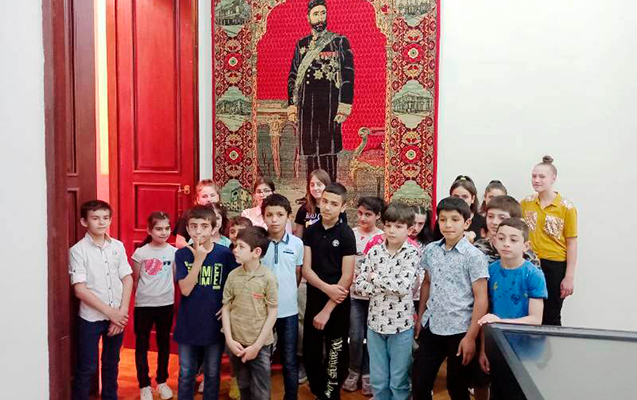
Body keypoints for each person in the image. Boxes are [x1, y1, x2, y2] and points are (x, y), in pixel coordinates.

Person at [412, 197, 489, 400]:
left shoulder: (474, 256)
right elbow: (427, 283)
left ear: (466, 223)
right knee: (419, 382)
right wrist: (421, 317)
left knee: (456, 387)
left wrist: (471, 337)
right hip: (432, 325)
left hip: (460, 330)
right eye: (443, 219)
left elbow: (481, 299)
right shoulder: (431, 250)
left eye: (454, 219)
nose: (448, 225)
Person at [355, 202, 420, 400]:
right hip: (375, 324)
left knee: (398, 380)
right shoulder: (374, 252)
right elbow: (359, 285)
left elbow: (403, 287)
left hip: (401, 327)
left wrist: (374, 278)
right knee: (378, 379)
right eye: (388, 225)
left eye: (398, 226)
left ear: (409, 229)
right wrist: (384, 285)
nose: (392, 230)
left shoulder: (412, 253)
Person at [69, 200, 133, 400]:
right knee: (87, 366)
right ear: (84, 222)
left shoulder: (118, 247)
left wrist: (121, 313)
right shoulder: (77, 250)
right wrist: (111, 313)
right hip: (91, 319)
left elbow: (127, 278)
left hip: (117, 316)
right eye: (95, 218)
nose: (101, 222)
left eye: (105, 218)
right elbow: (80, 289)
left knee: (111, 364)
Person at [478, 218, 548, 400]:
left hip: (525, 350)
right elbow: (487, 315)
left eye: (513, 239)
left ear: (526, 246)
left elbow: (535, 319)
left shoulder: (534, 275)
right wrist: (484, 349)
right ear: (494, 241)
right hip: (497, 347)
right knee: (498, 392)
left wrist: (499, 322)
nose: (506, 244)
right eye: (501, 238)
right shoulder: (490, 271)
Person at [173, 205, 238, 400]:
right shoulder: (181, 255)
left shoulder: (224, 254)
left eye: (204, 226)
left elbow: (235, 285)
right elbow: (185, 290)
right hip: (188, 323)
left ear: (213, 228)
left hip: (214, 324)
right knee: (186, 373)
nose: (198, 231)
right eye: (193, 226)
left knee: (212, 372)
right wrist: (199, 260)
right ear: (188, 229)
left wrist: (228, 306)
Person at [287, 0, 354, 182]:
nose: (320, 18)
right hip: (306, 105)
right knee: (310, 151)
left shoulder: (339, 41)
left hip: (329, 105)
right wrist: (292, 104)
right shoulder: (302, 44)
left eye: (323, 13)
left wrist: (344, 105)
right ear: (308, 18)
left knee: (328, 151)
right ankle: (312, 190)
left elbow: (348, 75)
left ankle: (330, 188)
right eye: (316, 14)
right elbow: (293, 75)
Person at [302, 183, 357, 400]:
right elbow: (306, 270)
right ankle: (319, 391)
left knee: (336, 351)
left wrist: (328, 309)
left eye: (334, 204)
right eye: (324, 201)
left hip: (338, 303)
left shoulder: (346, 234)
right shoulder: (310, 232)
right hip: (315, 297)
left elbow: (347, 276)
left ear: (343, 207)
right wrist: (327, 289)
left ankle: (331, 394)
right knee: (311, 352)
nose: (327, 207)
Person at [222, 226, 279, 400]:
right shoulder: (233, 276)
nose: (235, 250)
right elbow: (226, 308)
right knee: (243, 386)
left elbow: (272, 312)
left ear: (256, 252)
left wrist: (256, 346)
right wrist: (229, 340)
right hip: (236, 344)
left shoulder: (268, 278)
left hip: (260, 346)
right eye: (235, 245)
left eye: (241, 247)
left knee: (261, 392)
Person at [521, 155, 578, 326]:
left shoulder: (566, 208)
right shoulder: (525, 203)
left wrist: (569, 277)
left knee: (551, 314)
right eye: (534, 176)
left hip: (554, 266)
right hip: (529, 262)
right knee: (527, 310)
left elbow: (571, 243)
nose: (536, 180)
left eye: (542, 176)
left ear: (553, 179)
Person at [261, 194, 305, 400]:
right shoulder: (258, 243)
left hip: (288, 311)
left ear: (289, 216)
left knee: (289, 359)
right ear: (263, 216)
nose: (274, 220)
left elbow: (297, 274)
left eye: (279, 215)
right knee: (262, 359)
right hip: (262, 311)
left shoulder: (297, 244)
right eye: (269, 215)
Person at [131, 212, 177, 400]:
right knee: (141, 345)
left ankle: (162, 381)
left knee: (164, 343)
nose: (164, 232)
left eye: (167, 228)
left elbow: (174, 277)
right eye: (159, 229)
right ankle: (144, 385)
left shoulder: (174, 252)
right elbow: (135, 279)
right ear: (149, 230)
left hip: (166, 304)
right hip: (143, 306)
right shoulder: (140, 253)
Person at [343, 197, 384, 395]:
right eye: (360, 213)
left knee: (372, 338)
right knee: (356, 336)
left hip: (376, 297)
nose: (362, 218)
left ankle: (368, 374)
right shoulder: (351, 234)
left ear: (378, 216)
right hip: (354, 295)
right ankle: (353, 371)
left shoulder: (383, 237)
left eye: (368, 214)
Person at [474, 195, 540, 267]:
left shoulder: (526, 254)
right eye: (490, 216)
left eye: (502, 218)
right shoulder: (479, 247)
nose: (494, 222)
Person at [173, 179, 220, 248]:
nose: (209, 199)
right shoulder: (189, 214)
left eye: (212, 195)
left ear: (218, 197)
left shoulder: (221, 215)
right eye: (204, 196)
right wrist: (195, 251)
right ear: (198, 199)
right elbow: (179, 242)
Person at [294, 169, 331, 237]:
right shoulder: (303, 210)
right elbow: (298, 238)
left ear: (327, 186)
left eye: (319, 185)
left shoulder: (335, 209)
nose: (315, 188)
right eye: (312, 185)